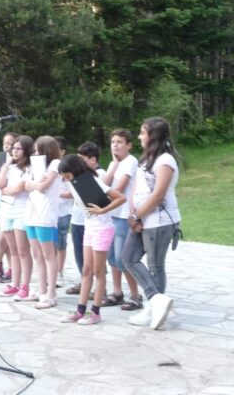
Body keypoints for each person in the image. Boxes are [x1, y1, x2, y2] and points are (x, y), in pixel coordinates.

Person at [122, 117, 181, 330]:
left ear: (153, 136)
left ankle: (153, 308)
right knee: (128, 258)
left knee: (155, 266)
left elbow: (158, 196)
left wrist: (137, 216)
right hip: (141, 218)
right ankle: (157, 300)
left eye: (142, 132)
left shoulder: (165, 161)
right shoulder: (146, 160)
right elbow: (136, 190)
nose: (139, 136)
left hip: (159, 220)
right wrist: (133, 215)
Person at [58, 154, 126, 325]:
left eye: (67, 176)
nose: (66, 179)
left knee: (99, 271)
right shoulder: (75, 184)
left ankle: (95, 311)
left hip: (103, 228)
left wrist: (103, 210)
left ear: (74, 171)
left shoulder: (94, 181)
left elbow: (121, 198)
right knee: (86, 270)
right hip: (89, 227)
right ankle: (80, 310)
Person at [102, 129, 142, 311]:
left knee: (122, 258)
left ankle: (135, 295)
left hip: (124, 216)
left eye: (119, 142)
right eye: (113, 142)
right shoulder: (114, 163)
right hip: (112, 215)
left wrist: (104, 193)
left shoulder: (131, 161)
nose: (115, 145)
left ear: (129, 145)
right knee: (111, 257)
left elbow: (118, 188)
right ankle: (117, 292)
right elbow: (104, 184)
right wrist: (113, 166)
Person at [24, 135, 63, 308]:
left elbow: (42, 186)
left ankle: (51, 294)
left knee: (48, 254)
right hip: (32, 213)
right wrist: (34, 184)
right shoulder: (33, 166)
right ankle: (41, 291)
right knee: (37, 254)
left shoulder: (55, 164)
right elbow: (26, 185)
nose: (35, 153)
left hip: (45, 215)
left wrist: (34, 184)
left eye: (37, 150)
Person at [0, 135, 34, 299]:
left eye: (19, 148)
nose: (15, 151)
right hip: (6, 210)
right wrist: (6, 165)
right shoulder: (10, 167)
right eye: (13, 148)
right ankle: (15, 284)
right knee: (13, 250)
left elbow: (19, 188)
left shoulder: (30, 168)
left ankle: (25, 285)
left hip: (21, 210)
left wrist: (3, 190)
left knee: (23, 250)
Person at [64, 141, 105, 295]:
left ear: (93, 159)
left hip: (92, 222)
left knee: (96, 258)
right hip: (77, 218)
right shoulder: (78, 176)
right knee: (80, 255)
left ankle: (100, 288)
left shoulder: (100, 174)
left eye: (82, 159)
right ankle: (84, 282)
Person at [0, 132, 18, 282]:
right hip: (2, 199)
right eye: (4, 143)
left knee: (10, 237)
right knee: (4, 233)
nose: (7, 146)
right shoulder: (2, 156)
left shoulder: (19, 159)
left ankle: (10, 267)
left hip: (14, 200)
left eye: (10, 143)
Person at [54, 136, 72, 289]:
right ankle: (51, 272)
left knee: (61, 243)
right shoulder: (48, 166)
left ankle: (59, 272)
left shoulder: (67, 167)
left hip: (63, 211)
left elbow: (73, 192)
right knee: (49, 243)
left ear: (63, 151)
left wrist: (56, 195)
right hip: (49, 212)